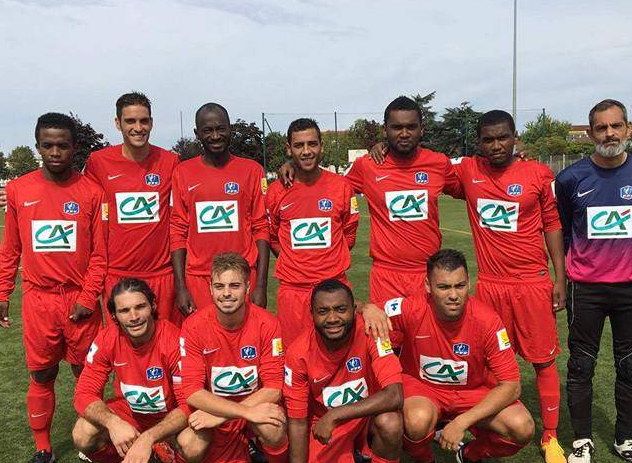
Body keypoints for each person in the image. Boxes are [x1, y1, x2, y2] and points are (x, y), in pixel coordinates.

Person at [447, 110, 568, 463]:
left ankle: (550, 436)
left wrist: (559, 278)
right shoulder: (468, 171)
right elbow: (424, 170)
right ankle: (483, 430)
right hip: (490, 286)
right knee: (485, 364)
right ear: (479, 143)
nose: (496, 145)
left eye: (503, 137)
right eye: (488, 139)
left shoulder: (538, 174)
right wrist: (381, 149)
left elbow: (552, 225)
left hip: (532, 283)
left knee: (543, 360)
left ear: (516, 138)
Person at [364, 249, 534, 463]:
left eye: (460, 286)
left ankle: (471, 455)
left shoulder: (488, 320)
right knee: (416, 421)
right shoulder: (412, 307)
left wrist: (461, 423)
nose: (453, 295)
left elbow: (511, 386)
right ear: (428, 286)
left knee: (523, 427)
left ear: (469, 283)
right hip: (423, 389)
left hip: (472, 392)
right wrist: (368, 307)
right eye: (443, 287)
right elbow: (364, 310)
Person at [0, 112, 107, 463]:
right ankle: (43, 448)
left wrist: (88, 297)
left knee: (87, 374)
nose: (55, 152)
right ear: (37, 146)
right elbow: (10, 247)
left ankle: (91, 443)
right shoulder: (19, 190)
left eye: (63, 145)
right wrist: (2, 290)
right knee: (42, 374)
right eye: (48, 145)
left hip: (79, 301)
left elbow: (100, 255)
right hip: (39, 301)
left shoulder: (92, 192)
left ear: (74, 147)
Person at [554, 99, 632, 463]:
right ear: (590, 133)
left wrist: (630, 257)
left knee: (631, 366)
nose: (609, 134)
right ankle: (582, 440)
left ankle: (626, 440)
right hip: (585, 287)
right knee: (581, 365)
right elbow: (564, 231)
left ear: (628, 129)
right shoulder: (570, 179)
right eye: (601, 128)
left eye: (616, 126)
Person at [281, 96, 459, 303]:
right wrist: (295, 165)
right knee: (386, 326)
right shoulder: (368, 166)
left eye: (411, 127)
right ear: (385, 130)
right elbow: (330, 187)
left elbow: (467, 187)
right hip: (386, 275)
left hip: (429, 272)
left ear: (422, 129)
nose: (404, 133)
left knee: (428, 325)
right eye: (396, 127)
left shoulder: (439, 163)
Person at [280, 280, 404, 463]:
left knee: (391, 422)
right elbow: (298, 422)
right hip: (325, 427)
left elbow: (395, 395)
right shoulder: (298, 353)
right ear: (311, 314)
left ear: (354, 310)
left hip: (364, 417)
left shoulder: (372, 331)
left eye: (341, 309)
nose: (333, 318)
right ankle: (349, 457)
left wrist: (336, 414)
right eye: (323, 311)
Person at [175, 252, 292, 463]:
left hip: (243, 412)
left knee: (273, 424)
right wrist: (238, 413)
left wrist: (228, 414)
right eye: (220, 286)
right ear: (210, 288)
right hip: (221, 418)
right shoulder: (193, 326)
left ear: (248, 287)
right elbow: (192, 391)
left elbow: (274, 387)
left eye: (234, 285)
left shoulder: (268, 323)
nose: (226, 293)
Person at [72, 278, 190, 463]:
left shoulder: (174, 340)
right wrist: (113, 423)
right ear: (114, 316)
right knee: (82, 434)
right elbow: (83, 393)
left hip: (170, 415)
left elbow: (188, 404)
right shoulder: (107, 338)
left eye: (140, 307)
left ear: (153, 306)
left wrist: (150, 437)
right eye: (124, 310)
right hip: (131, 414)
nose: (134, 316)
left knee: (193, 443)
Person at [85, 92, 180, 324]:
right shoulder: (98, 162)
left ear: (151, 122)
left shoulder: (170, 162)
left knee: (165, 340)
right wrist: (22, 192)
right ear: (118, 123)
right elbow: (75, 197)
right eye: (130, 121)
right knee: (120, 343)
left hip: (161, 274)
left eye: (143, 121)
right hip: (117, 275)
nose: (138, 128)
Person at [266, 118, 359, 347]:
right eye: (299, 145)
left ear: (321, 146)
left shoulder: (342, 187)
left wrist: (326, 263)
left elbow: (348, 236)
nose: (306, 151)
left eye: (312, 144)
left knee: (339, 356)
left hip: (334, 290)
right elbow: (272, 237)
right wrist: (297, 263)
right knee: (294, 357)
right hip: (293, 293)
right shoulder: (276, 192)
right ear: (289, 149)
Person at [170, 103, 270, 315]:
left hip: (242, 275)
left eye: (220, 128)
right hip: (199, 276)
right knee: (203, 335)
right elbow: (177, 230)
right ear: (197, 133)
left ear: (230, 129)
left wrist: (261, 284)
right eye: (208, 130)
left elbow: (261, 227)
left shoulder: (252, 171)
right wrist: (180, 287)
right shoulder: (182, 172)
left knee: (245, 334)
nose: (215, 136)